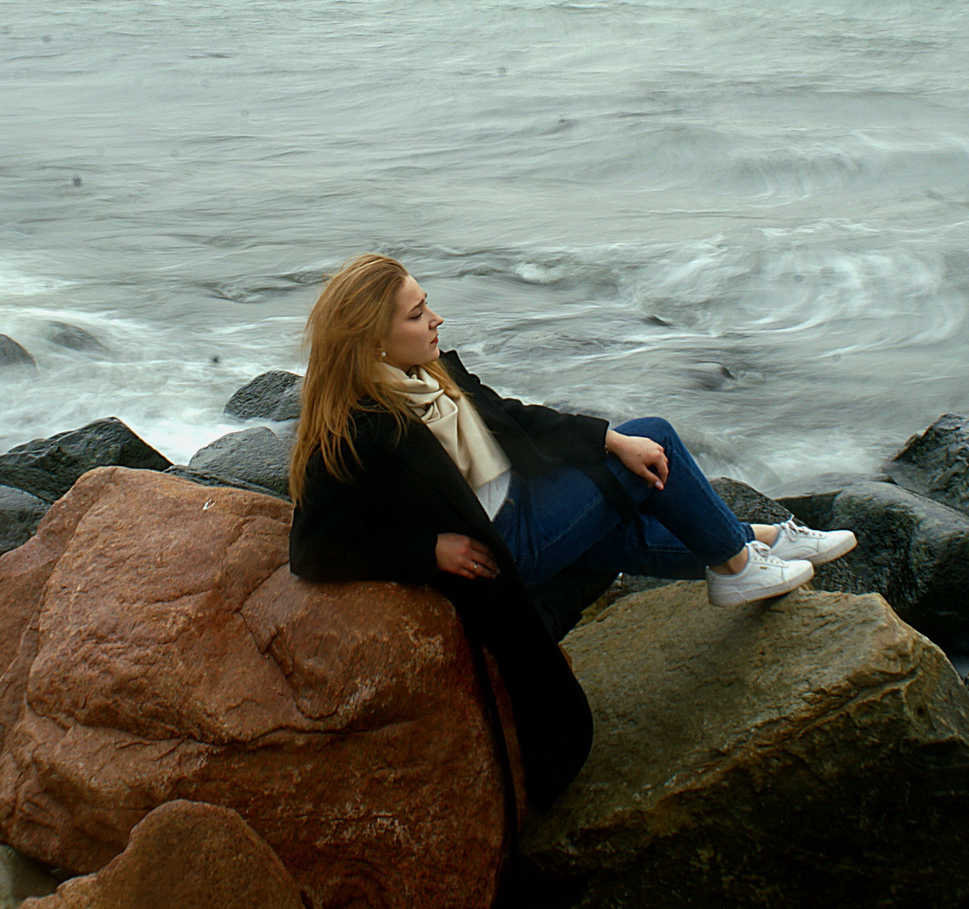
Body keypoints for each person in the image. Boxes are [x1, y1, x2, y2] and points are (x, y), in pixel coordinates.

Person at [285, 252, 856, 807]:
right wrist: (426, 549)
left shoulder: (431, 373)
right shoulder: (362, 428)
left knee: (629, 481)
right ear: (372, 340)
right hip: (509, 545)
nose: (436, 319)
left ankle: (753, 540)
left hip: (525, 499)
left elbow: (516, 417)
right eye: (417, 315)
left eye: (427, 304)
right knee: (657, 438)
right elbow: (312, 548)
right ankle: (738, 562)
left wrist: (608, 438)